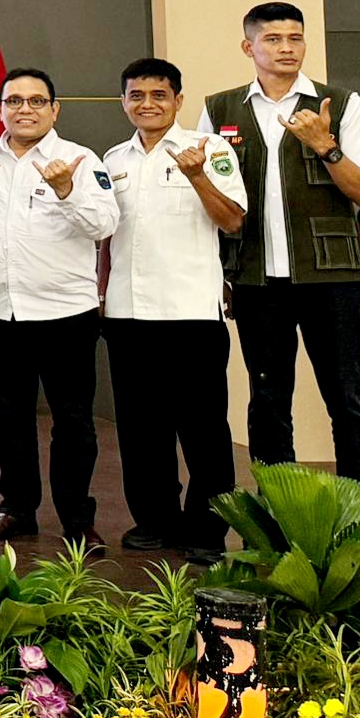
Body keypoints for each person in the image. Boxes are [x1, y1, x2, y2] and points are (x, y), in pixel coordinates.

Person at [197, 2, 360, 488]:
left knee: (348, 401)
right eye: (274, 39)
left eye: (295, 38)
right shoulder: (219, 110)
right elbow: (211, 198)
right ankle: (278, 513)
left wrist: (326, 146)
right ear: (249, 47)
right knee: (268, 403)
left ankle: (359, 512)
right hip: (255, 277)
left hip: (333, 277)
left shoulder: (340, 103)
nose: (287, 48)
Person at [0, 67, 119, 547]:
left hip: (66, 313)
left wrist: (67, 190)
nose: (25, 109)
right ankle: (16, 510)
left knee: (73, 420)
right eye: (14, 101)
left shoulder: (80, 159)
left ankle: (77, 518)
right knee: (10, 417)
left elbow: (104, 224)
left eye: (36, 101)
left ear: (54, 109)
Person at [102, 58, 246, 563]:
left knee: (203, 429)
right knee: (141, 429)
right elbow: (105, 235)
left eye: (159, 95)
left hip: (190, 312)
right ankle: (155, 520)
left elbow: (232, 220)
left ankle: (207, 528)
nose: (147, 104)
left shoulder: (209, 149)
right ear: (124, 102)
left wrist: (197, 176)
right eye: (136, 95)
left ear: (178, 100)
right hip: (127, 312)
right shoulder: (113, 159)